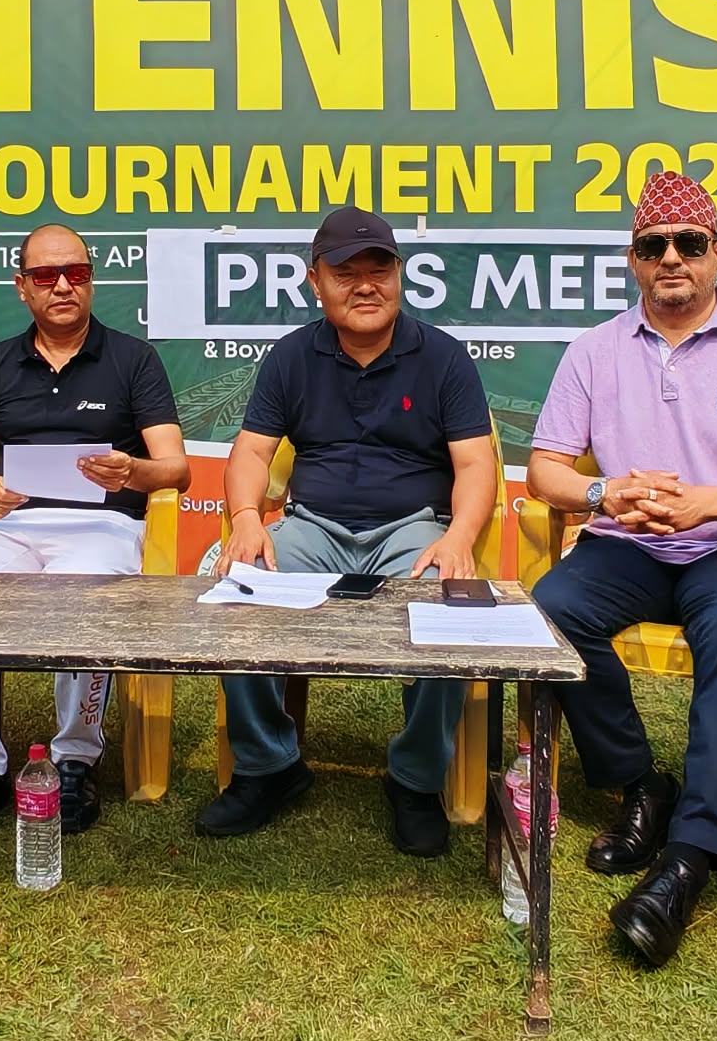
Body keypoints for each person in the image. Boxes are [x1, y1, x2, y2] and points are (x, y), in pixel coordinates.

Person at [527, 170, 717, 965]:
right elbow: (545, 471)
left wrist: (708, 504)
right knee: (548, 613)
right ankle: (640, 786)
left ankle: (690, 855)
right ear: (633, 260)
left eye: (689, 243)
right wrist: (606, 492)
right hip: (627, 545)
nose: (671, 258)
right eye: (653, 245)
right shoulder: (594, 351)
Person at [199, 206, 497, 857]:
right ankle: (268, 765)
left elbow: (477, 464)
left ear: (400, 275)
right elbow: (252, 453)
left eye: (378, 270)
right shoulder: (291, 356)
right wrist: (246, 518)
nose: (365, 286)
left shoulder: (442, 357)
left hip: (412, 530)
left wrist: (458, 538)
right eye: (346, 273)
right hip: (313, 527)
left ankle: (415, 779)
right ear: (316, 283)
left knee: (451, 604)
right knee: (232, 584)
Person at [0, 223, 189, 844]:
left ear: (92, 282)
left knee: (86, 592)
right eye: (46, 275)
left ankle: (76, 757)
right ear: (22, 287)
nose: (64, 285)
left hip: (101, 522)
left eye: (77, 273)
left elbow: (176, 469)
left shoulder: (133, 359)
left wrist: (133, 471)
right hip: (10, 522)